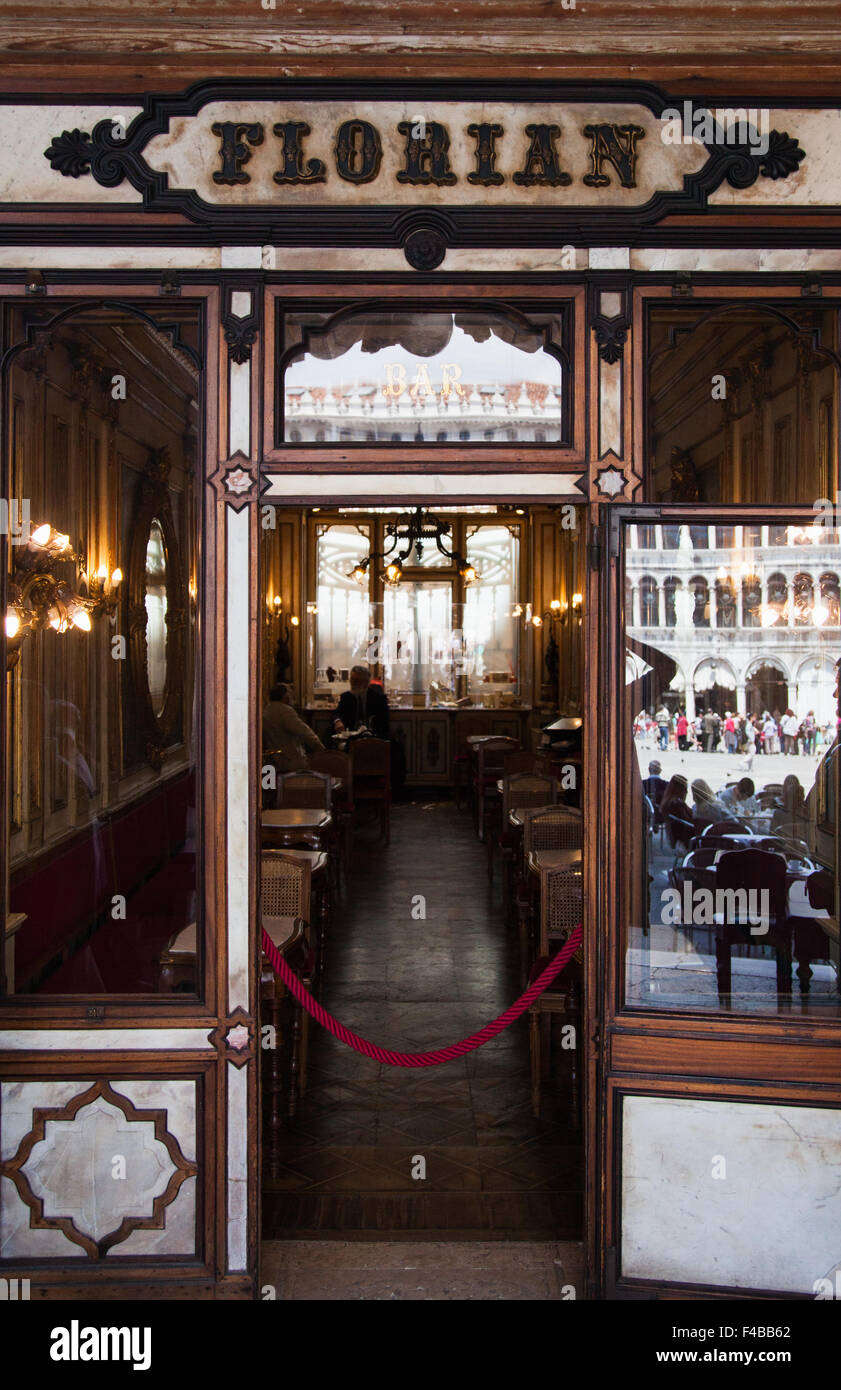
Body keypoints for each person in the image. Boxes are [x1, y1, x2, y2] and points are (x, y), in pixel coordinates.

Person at [262, 682, 325, 778]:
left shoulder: (267, 709)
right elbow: (304, 732)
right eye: (291, 694)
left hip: (272, 761)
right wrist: (321, 749)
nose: (292, 697)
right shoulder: (285, 711)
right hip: (289, 761)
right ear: (285, 696)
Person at [334, 664, 390, 740]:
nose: (352, 683)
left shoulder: (378, 698)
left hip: (373, 737)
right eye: (352, 679)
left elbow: (384, 723)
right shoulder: (346, 696)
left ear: (366, 682)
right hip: (350, 737)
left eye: (356, 681)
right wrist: (338, 721)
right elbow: (337, 713)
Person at [658, 774, 694, 848]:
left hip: (678, 837)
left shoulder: (668, 802)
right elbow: (689, 820)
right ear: (680, 789)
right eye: (685, 788)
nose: (687, 792)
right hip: (686, 838)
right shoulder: (676, 804)